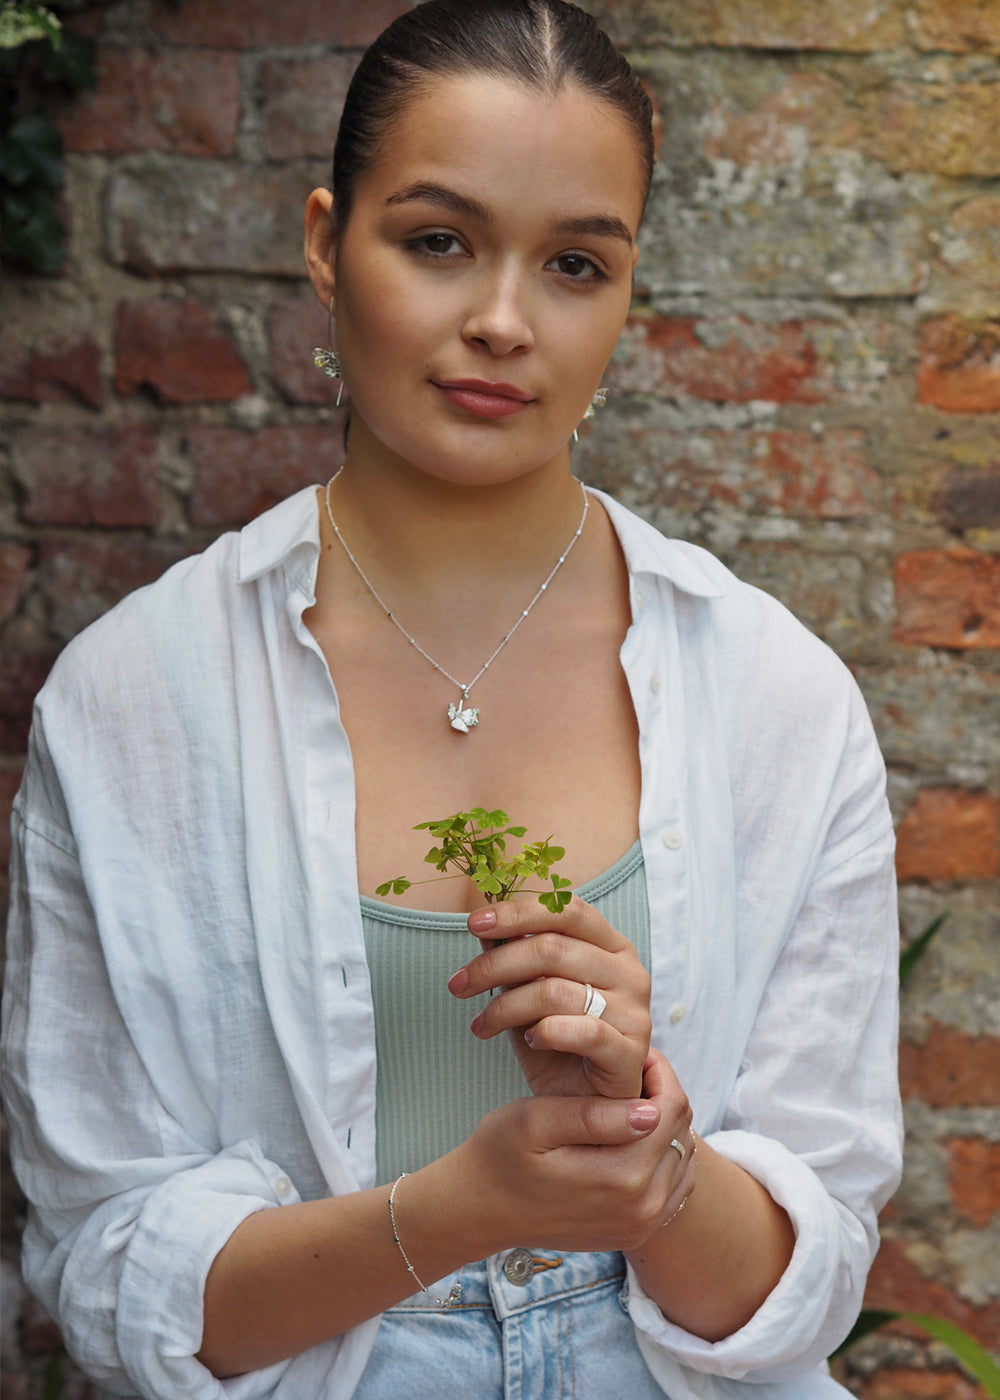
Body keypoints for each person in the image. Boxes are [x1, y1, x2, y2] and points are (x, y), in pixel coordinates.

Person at [1, 2, 902, 1397]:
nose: (500, 319)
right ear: (323, 242)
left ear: (626, 297)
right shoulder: (139, 701)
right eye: (438, 241)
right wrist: (459, 1212)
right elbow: (109, 1267)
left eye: (574, 264)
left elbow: (807, 1275)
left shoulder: (776, 699)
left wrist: (646, 1148)